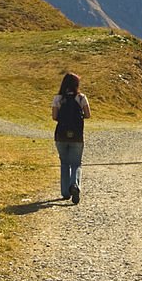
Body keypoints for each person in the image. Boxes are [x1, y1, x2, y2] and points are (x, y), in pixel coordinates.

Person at [52, 72, 91, 204]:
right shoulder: (81, 98)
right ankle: (74, 185)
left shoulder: (58, 98)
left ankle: (65, 192)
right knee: (76, 163)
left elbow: (54, 116)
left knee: (64, 163)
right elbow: (88, 115)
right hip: (77, 136)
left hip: (61, 135)